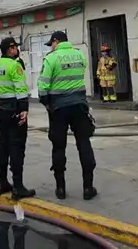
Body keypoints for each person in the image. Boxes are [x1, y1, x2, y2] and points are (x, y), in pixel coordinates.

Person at [38, 31, 97, 201]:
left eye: (51, 44)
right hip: (79, 106)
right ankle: (88, 188)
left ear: (56, 41)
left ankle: (60, 189)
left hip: (58, 109)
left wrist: (46, 103)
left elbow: (43, 86)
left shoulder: (51, 58)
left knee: (58, 147)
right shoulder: (79, 55)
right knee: (84, 143)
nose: (51, 47)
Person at [0, 37, 36, 199]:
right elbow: (20, 87)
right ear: (10, 49)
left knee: (3, 145)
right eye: (15, 47)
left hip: (1, 108)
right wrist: (24, 108)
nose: (17, 49)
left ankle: (1, 182)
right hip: (15, 109)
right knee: (17, 146)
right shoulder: (14, 65)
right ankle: (18, 187)